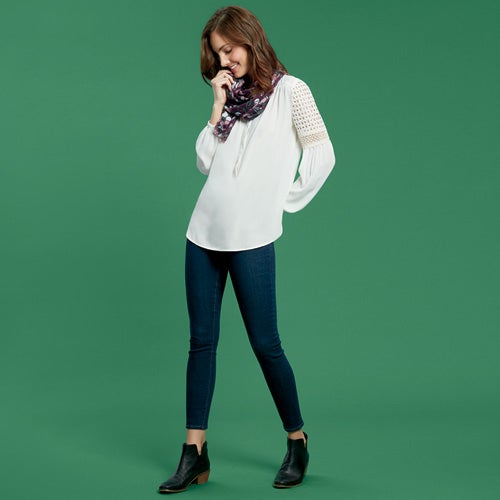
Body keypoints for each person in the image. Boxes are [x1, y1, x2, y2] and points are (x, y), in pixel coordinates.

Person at [158, 5, 335, 494]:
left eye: (229, 49)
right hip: (203, 233)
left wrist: (280, 203)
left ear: (250, 39)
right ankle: (194, 453)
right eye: (218, 54)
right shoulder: (231, 100)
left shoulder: (292, 92)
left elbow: (322, 155)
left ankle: (297, 441)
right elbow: (204, 162)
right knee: (201, 342)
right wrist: (217, 105)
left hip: (252, 237)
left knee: (265, 344)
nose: (225, 61)